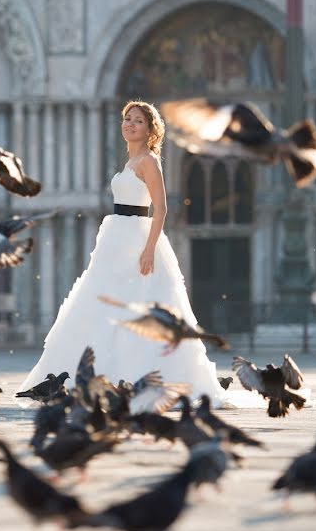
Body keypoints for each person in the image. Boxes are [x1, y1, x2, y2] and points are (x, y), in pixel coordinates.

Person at [17, 100, 264, 408]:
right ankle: (96, 378)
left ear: (150, 130)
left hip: (137, 239)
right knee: (100, 306)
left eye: (138, 121)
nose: (130, 124)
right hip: (115, 240)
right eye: (127, 119)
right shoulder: (129, 163)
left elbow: (160, 208)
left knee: (138, 307)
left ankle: (140, 379)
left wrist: (148, 250)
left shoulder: (149, 161)